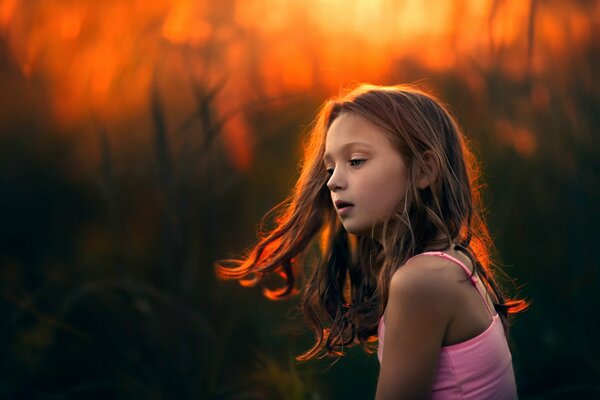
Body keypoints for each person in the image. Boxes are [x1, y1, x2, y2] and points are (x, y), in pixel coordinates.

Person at [216, 84, 528, 399]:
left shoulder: (422, 281)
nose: (333, 181)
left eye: (356, 161)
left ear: (424, 169)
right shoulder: (452, 262)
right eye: (330, 167)